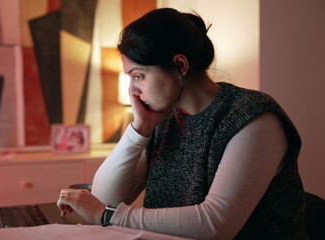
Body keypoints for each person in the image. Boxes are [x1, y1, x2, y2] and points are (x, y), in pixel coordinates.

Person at [57, 8, 308, 239]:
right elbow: (105, 196)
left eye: (138, 76)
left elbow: (217, 224)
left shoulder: (253, 117)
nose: (132, 91)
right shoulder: (166, 118)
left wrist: (108, 215)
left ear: (180, 65)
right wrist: (139, 130)